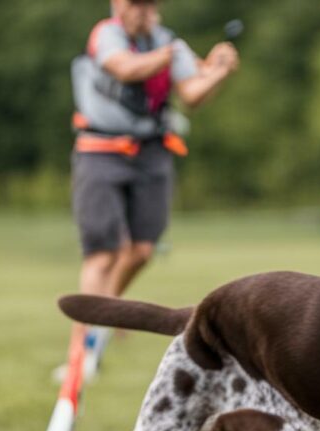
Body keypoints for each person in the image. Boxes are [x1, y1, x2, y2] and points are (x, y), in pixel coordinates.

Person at [60, 0, 239, 380]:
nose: (143, 11)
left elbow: (192, 95)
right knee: (102, 255)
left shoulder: (166, 43)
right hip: (100, 151)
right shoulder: (108, 35)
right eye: (135, 4)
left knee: (142, 249)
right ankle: (81, 354)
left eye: (149, 4)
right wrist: (177, 58)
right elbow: (125, 69)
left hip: (153, 153)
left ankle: (107, 312)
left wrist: (218, 71)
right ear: (118, 5)